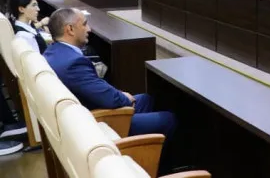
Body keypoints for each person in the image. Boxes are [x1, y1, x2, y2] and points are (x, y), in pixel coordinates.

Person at [43, 8, 176, 138]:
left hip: (83, 113)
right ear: (70, 29)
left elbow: (96, 88)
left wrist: (121, 95)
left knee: (148, 99)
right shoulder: (73, 64)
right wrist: (124, 98)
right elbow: (110, 99)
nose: (89, 29)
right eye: (84, 24)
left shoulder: (51, 52)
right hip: (96, 123)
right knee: (169, 119)